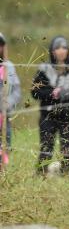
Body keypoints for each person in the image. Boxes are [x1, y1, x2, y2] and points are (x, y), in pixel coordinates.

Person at [31, 36, 69, 175]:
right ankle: (41, 175)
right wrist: (51, 93)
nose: (61, 51)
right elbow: (35, 92)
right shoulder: (44, 69)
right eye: (57, 48)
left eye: (64, 48)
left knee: (67, 149)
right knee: (46, 148)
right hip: (48, 116)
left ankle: (66, 175)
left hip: (68, 116)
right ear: (52, 51)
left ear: (68, 50)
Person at [0, 33, 22, 163]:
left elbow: (17, 91)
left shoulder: (9, 67)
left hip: (4, 114)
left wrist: (9, 102)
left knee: (4, 144)